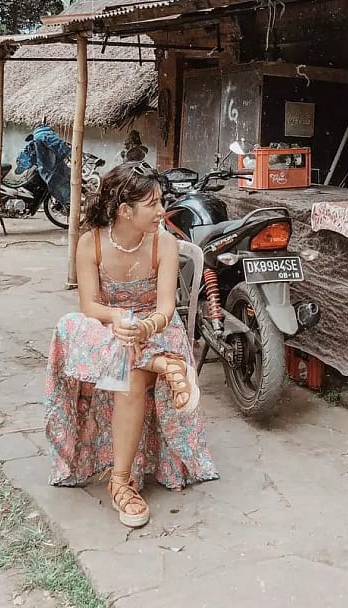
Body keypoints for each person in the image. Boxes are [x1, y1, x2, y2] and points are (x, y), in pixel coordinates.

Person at [44, 163, 217, 527]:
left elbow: (166, 309)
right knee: (69, 326)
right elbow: (90, 307)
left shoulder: (164, 243)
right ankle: (161, 364)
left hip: (156, 330)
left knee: (130, 376)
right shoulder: (91, 242)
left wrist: (143, 329)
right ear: (125, 210)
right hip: (109, 329)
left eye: (161, 202)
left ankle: (121, 483)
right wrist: (121, 322)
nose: (161, 211)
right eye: (153, 204)